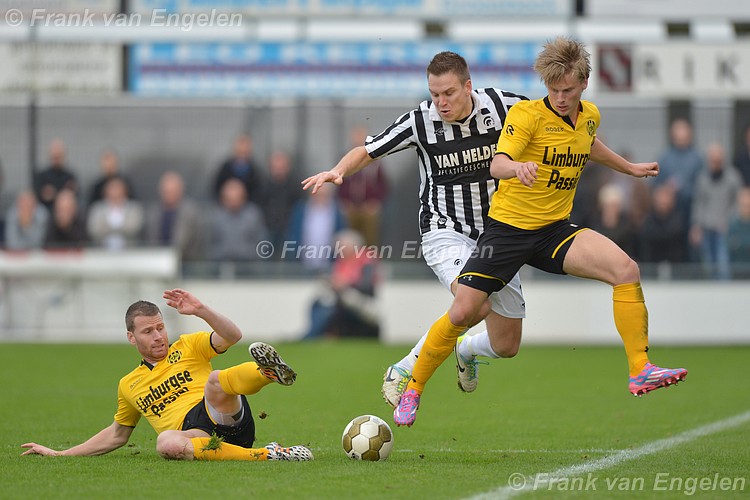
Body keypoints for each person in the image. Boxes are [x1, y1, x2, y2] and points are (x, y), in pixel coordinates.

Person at [393, 37, 688, 427]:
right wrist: (517, 168)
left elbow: (587, 144)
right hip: (507, 232)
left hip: (553, 231)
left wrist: (629, 168)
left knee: (626, 270)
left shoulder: (590, 115)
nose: (560, 98)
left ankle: (640, 369)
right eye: (553, 89)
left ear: (583, 84)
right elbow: (498, 163)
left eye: (568, 90)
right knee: (464, 310)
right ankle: (412, 389)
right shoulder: (527, 115)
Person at [302, 51, 527, 408]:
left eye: (449, 93)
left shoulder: (503, 105)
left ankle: (467, 349)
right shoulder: (420, 121)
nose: (441, 102)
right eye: (434, 94)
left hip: (497, 236)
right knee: (473, 302)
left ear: (468, 86)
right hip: (445, 230)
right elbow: (368, 150)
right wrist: (338, 171)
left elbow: (552, 122)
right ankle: (403, 369)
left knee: (507, 344)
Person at [21, 288, 313, 462]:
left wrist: (201, 310)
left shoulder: (188, 346)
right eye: (148, 331)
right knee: (166, 443)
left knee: (215, 381)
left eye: (160, 327)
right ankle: (269, 454)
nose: (159, 336)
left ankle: (266, 373)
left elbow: (232, 336)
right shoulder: (129, 385)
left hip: (221, 413)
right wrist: (60, 454)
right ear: (131, 338)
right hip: (196, 436)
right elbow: (117, 435)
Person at [302, 229, 380, 340]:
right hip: (341, 298)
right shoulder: (342, 261)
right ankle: (313, 333)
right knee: (318, 302)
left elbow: (368, 286)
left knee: (330, 308)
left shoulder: (367, 260)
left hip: (360, 301)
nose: (338, 250)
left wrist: (347, 284)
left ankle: (311, 337)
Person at [688, 142, 743, 280]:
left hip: (725, 228)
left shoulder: (733, 177)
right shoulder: (702, 178)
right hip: (706, 227)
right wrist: (696, 225)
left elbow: (737, 202)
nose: (716, 164)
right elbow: (698, 203)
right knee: (708, 265)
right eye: (713, 160)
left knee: (723, 263)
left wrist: (731, 221)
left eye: (718, 160)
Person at [337, 126, 389, 247]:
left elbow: (383, 184)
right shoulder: (346, 159)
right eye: (356, 135)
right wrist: (344, 201)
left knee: (370, 241)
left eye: (361, 136)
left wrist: (375, 201)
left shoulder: (376, 159)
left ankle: (370, 258)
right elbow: (340, 181)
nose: (358, 139)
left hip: (368, 209)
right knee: (350, 240)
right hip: (350, 208)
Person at [286, 183, 347, 272]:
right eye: (318, 194)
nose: (321, 198)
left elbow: (341, 235)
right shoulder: (301, 209)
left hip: (329, 265)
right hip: (302, 263)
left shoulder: (337, 212)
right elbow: (293, 233)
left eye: (325, 195)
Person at [145, 170, 204, 261]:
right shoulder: (154, 213)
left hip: (186, 261)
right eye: (166, 191)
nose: (169, 194)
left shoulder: (191, 212)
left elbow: (197, 241)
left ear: (180, 190)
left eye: (172, 191)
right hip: (157, 260)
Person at [208, 178, 268, 262]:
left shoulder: (253, 215)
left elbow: (261, 240)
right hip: (222, 262)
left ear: (244, 197)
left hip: (248, 262)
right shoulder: (215, 217)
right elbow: (209, 244)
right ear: (223, 199)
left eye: (237, 199)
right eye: (229, 199)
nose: (233, 203)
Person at [261, 150, 302, 256]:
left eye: (281, 167)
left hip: (289, 229)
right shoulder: (264, 185)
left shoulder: (295, 185)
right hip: (268, 228)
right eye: (276, 167)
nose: (279, 170)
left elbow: (299, 207)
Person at [86, 177, 144, 250]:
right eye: (112, 188)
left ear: (125, 190)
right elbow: (94, 230)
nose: (115, 191)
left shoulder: (134, 208)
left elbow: (133, 229)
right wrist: (120, 230)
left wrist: (108, 230)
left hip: (130, 250)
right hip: (102, 250)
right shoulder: (97, 208)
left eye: (118, 188)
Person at [639, 184, 688, 265]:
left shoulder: (678, 219)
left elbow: (674, 234)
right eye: (660, 199)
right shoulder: (648, 220)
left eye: (666, 198)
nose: (663, 202)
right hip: (652, 264)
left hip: (675, 265)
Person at [213, 134, 265, 204]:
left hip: (248, 205)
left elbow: (259, 192)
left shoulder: (255, 171)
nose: (243, 149)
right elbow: (216, 189)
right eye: (240, 149)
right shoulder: (225, 168)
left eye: (245, 149)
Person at [34, 138, 78, 211]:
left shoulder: (70, 176)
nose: (57, 160)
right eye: (55, 157)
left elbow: (74, 195)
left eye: (59, 157)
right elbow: (37, 196)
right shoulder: (41, 176)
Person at [728, 187, 750, 277]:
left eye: (748, 205)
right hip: (736, 272)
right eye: (744, 205)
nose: (746, 208)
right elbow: (729, 247)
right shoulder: (733, 225)